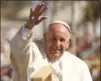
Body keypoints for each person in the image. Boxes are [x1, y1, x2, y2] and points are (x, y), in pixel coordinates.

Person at [10, 3, 93, 81]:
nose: (57, 44)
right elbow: (18, 48)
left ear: (68, 43)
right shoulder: (32, 54)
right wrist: (28, 26)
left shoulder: (80, 66)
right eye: (53, 39)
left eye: (62, 40)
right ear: (45, 38)